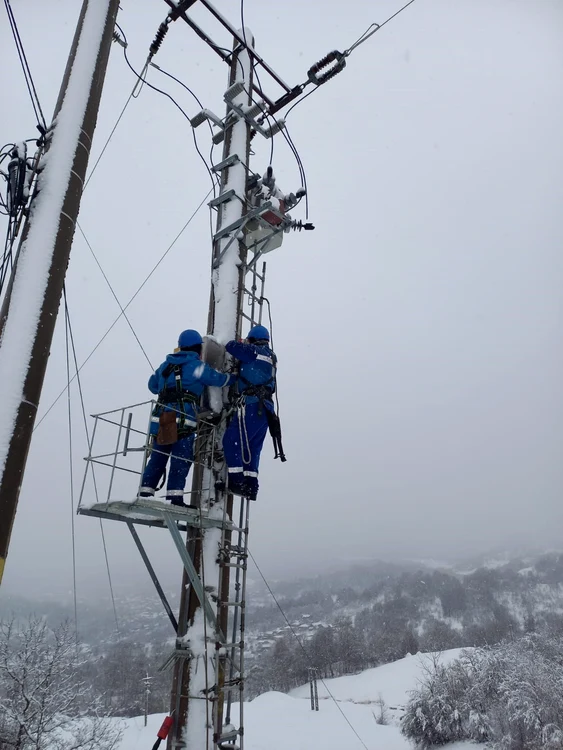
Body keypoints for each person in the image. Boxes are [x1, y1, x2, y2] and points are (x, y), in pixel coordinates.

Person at [139, 329, 234, 506]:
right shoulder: (196, 366)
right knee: (180, 459)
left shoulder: (165, 366)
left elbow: (152, 386)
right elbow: (218, 379)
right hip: (183, 419)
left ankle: (145, 492)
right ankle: (175, 498)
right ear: (198, 348)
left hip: (162, 419)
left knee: (158, 457)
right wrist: (233, 378)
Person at [223, 324, 283, 500]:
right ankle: (251, 486)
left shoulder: (252, 351)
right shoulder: (272, 356)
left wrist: (242, 342)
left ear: (253, 339)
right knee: (252, 448)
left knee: (232, 442)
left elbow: (230, 346)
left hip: (251, 405)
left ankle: (237, 482)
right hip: (266, 410)